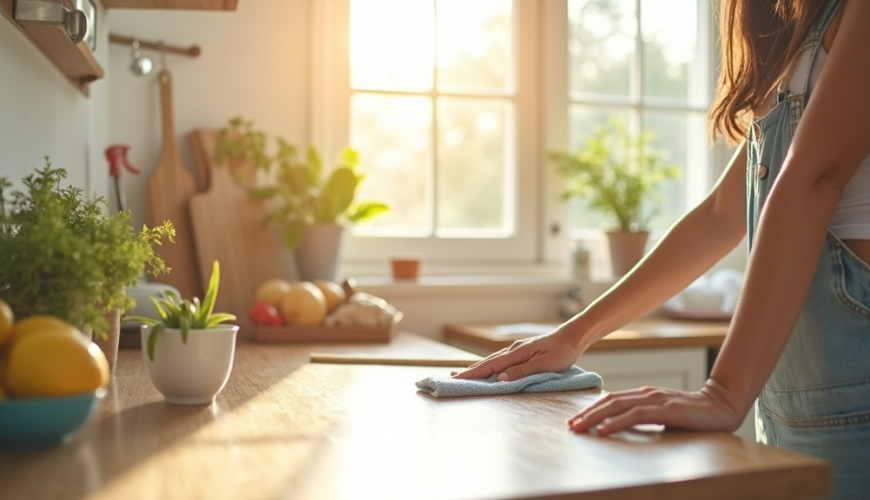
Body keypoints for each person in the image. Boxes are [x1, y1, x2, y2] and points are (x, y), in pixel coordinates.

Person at [454, 0, 870, 497]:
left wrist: (723, 392)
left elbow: (813, 180)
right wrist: (574, 336)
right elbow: (721, 215)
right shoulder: (798, 36)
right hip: (795, 397)